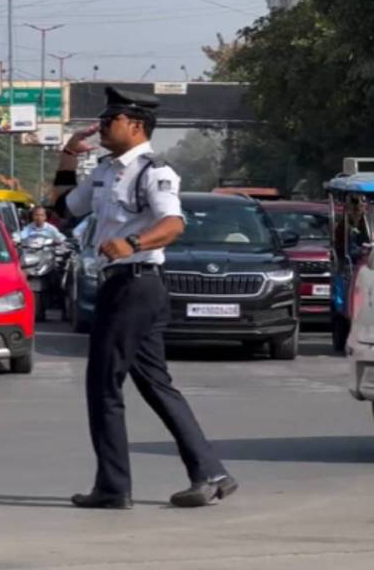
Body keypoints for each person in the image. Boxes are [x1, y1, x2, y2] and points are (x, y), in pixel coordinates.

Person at [51, 86, 236, 509]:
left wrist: (131, 242)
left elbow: (173, 224)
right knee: (155, 384)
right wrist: (66, 157)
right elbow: (63, 209)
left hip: (135, 282)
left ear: (135, 125)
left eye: (109, 120)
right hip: (127, 284)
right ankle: (211, 472)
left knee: (103, 384)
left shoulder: (155, 171)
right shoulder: (104, 171)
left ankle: (114, 487)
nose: (101, 127)